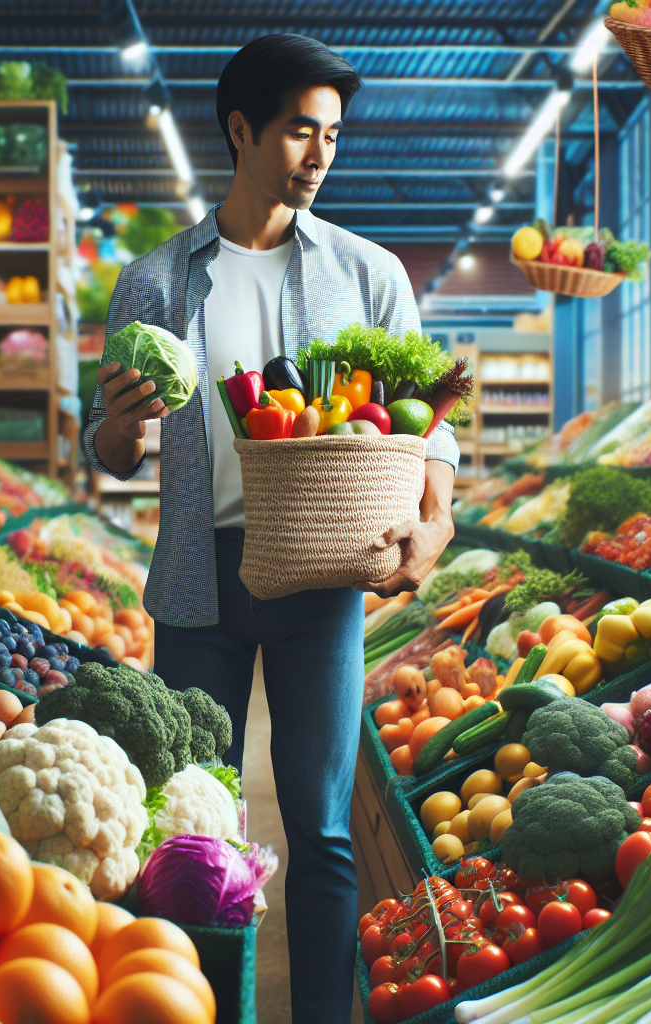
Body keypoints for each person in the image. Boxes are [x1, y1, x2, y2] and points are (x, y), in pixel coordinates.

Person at [82, 33, 458, 1023]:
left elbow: (431, 426)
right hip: (196, 582)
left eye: (332, 133)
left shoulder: (368, 274)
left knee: (321, 828)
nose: (320, 153)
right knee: (192, 828)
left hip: (323, 577)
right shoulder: (155, 281)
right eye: (299, 130)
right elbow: (107, 449)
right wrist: (122, 424)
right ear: (241, 130)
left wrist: (435, 524)